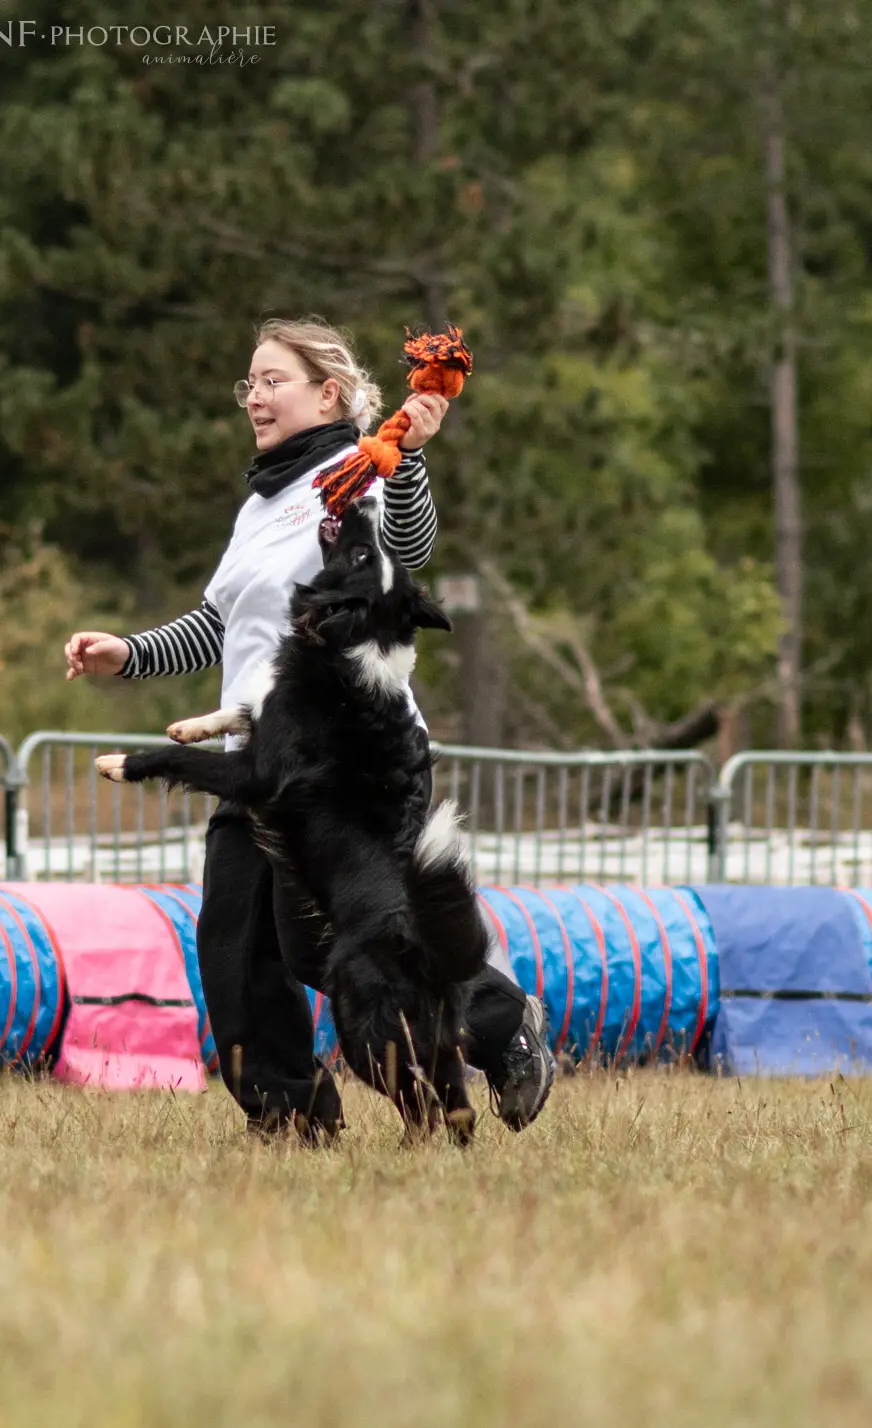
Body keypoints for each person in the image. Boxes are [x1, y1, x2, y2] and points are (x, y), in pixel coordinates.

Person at [62, 316, 534, 1138]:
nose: (254, 396)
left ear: (331, 393)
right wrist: (126, 655)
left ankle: (500, 1027)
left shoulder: (362, 469)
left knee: (355, 941)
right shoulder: (260, 508)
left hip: (355, 758)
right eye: (248, 383)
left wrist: (413, 456)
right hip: (264, 752)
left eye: (272, 379)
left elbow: (409, 545)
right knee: (240, 951)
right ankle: (291, 1118)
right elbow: (219, 625)